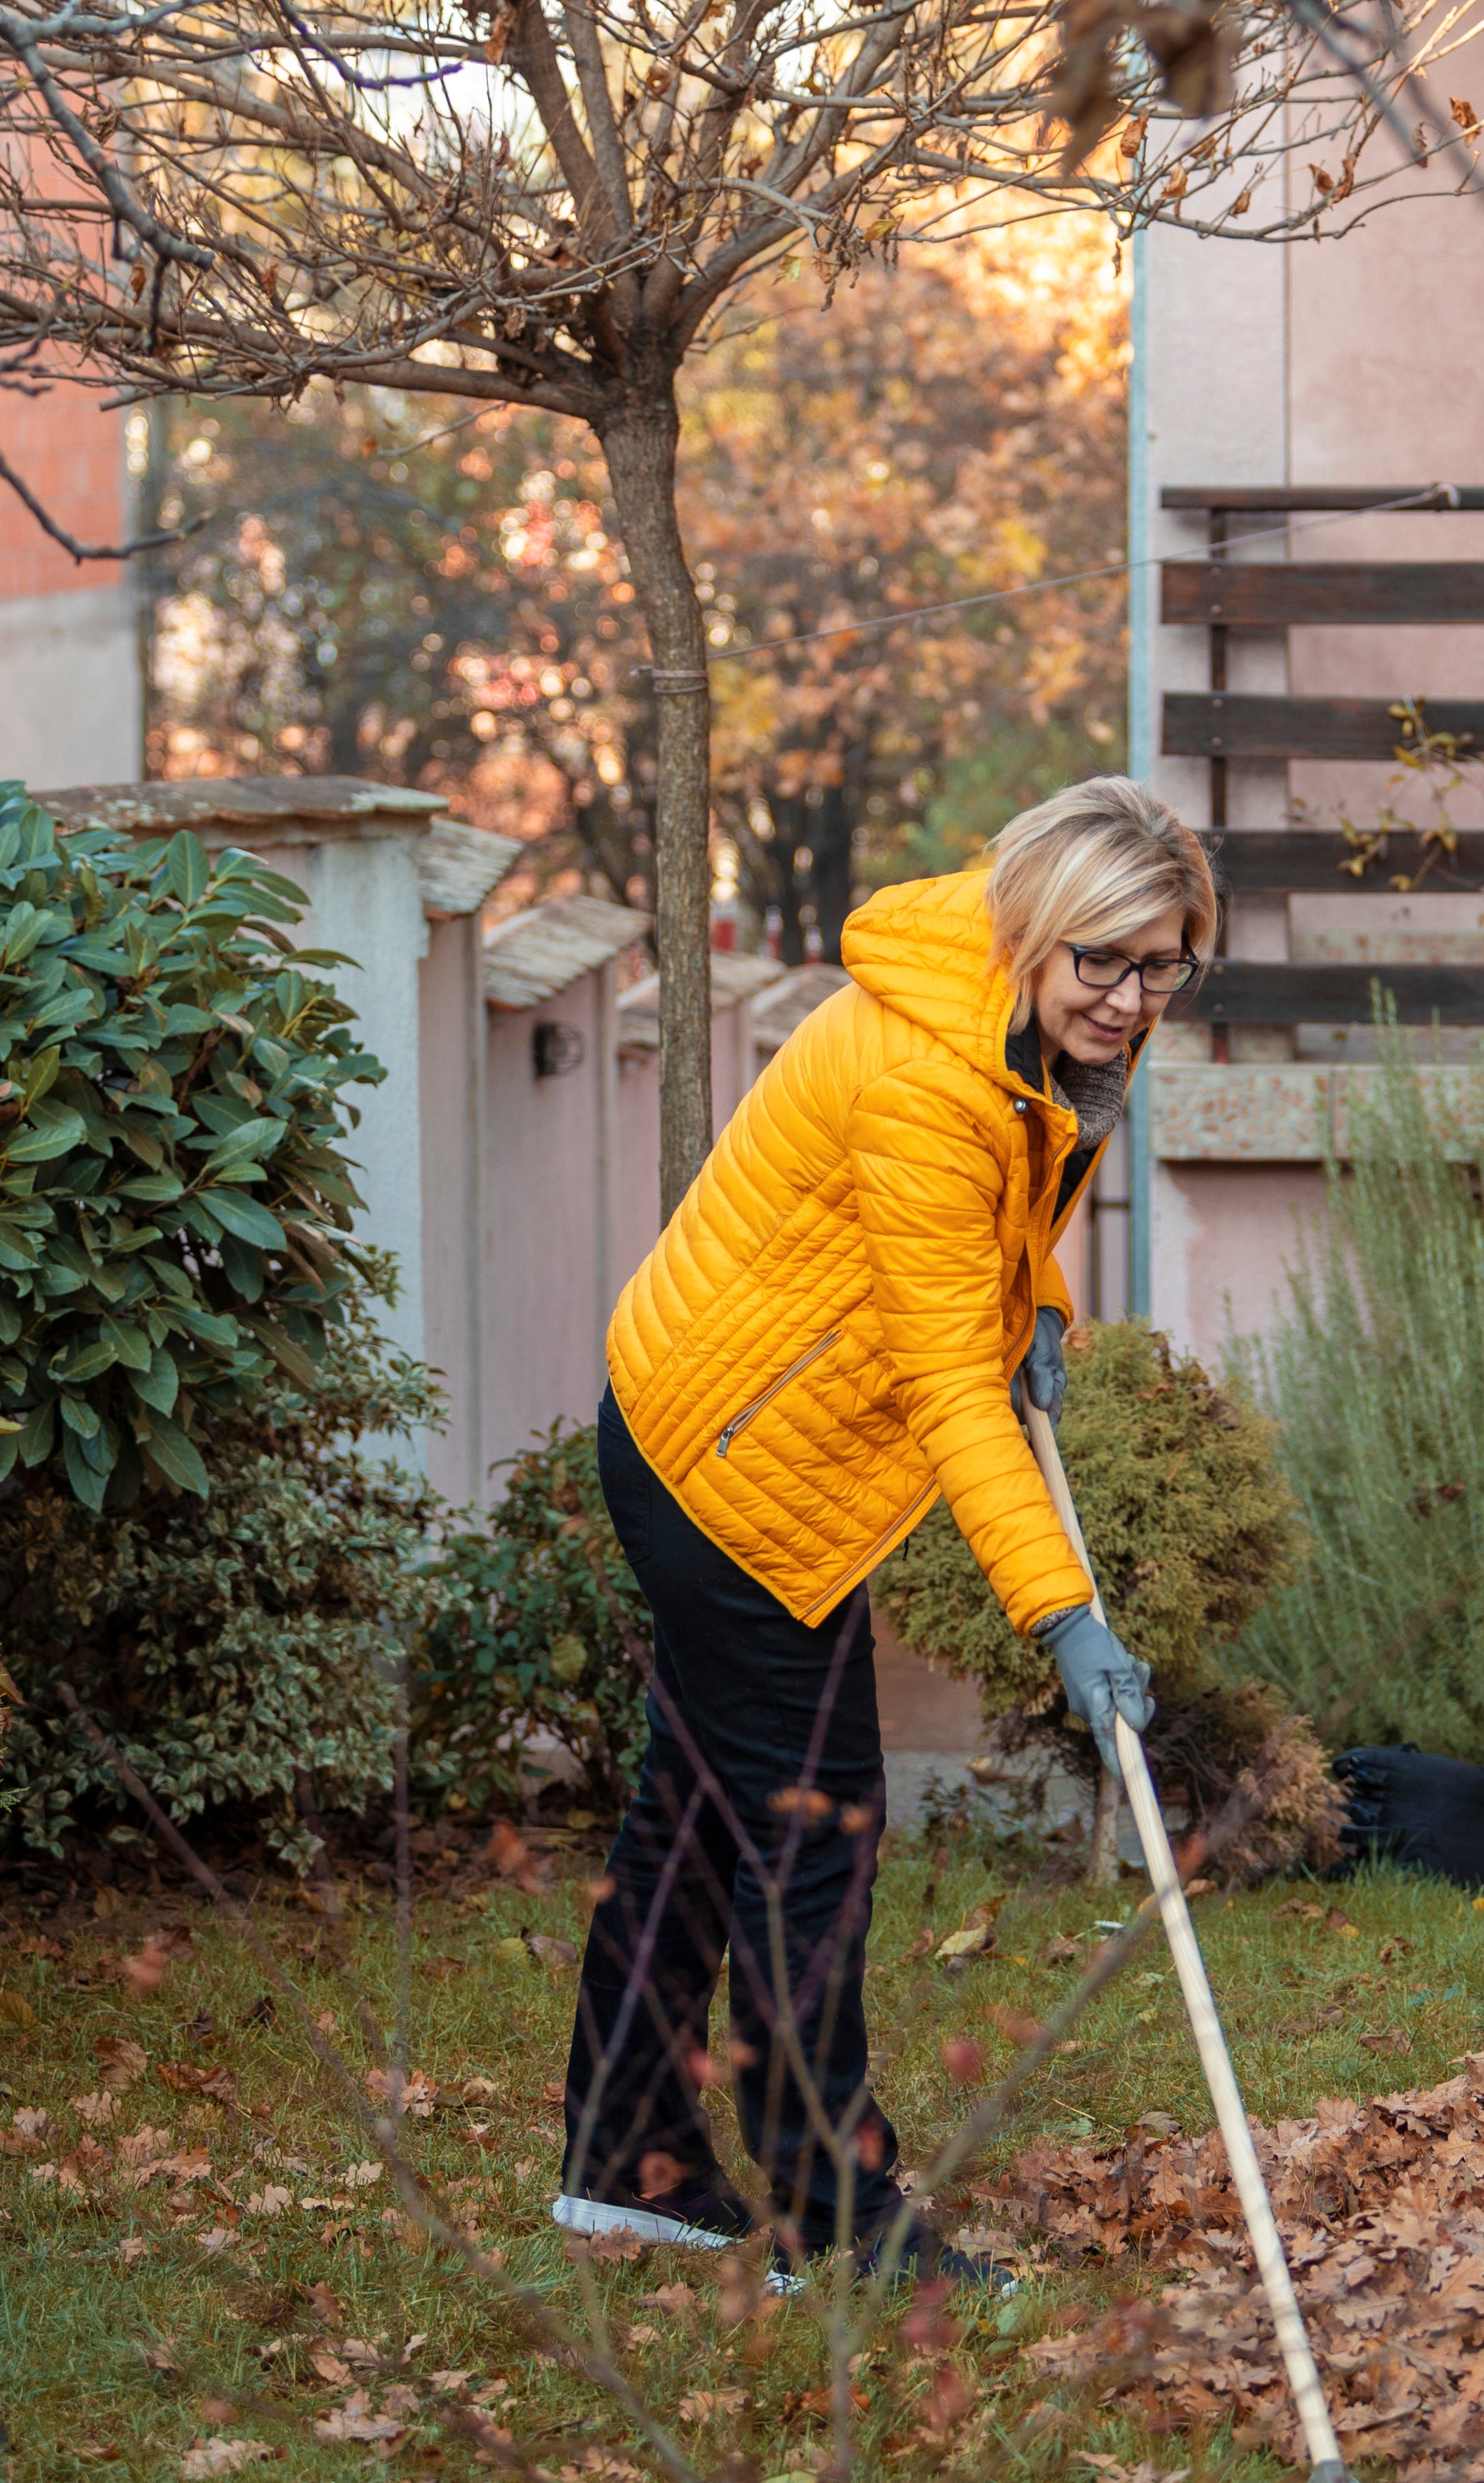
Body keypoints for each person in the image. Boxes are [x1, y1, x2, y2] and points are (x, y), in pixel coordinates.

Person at [558, 777, 1214, 2282]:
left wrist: (1037, 1306)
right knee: (817, 1826)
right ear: (1037, 934)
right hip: (731, 1465)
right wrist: (1065, 1615)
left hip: (734, 1432)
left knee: (706, 1806)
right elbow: (940, 1382)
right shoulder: (927, 1076)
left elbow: (1007, 1219)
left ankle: (627, 2158)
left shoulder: (1017, 1017)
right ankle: (835, 2224)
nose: (1129, 998)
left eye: (1162, 963)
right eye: (1102, 963)